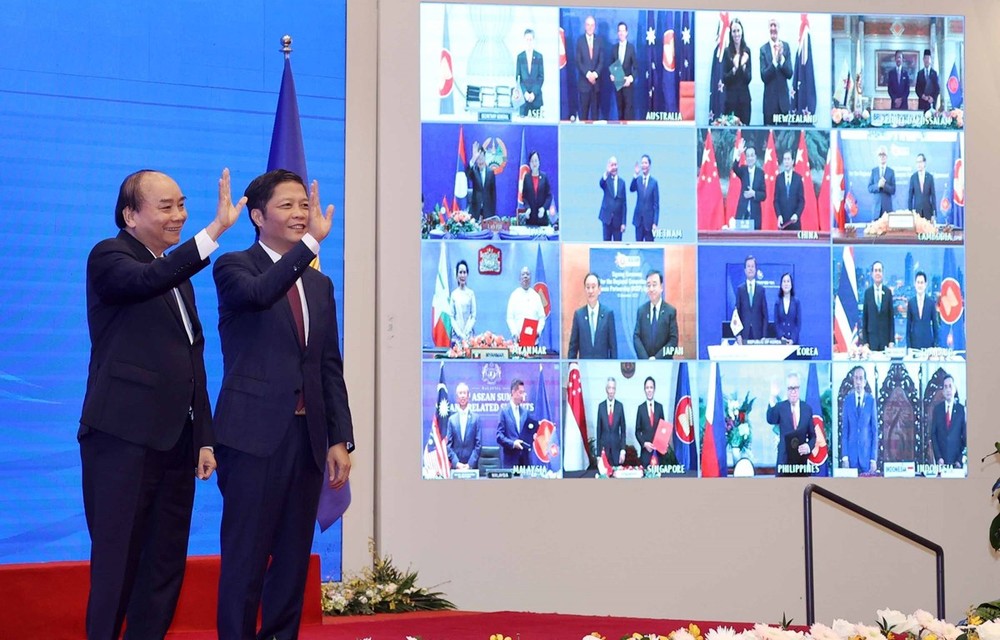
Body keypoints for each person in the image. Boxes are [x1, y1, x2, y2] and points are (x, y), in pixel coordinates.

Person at [79, 168, 241, 640]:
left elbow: (193, 360)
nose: (180, 215)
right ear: (130, 215)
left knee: (164, 567)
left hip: (176, 443)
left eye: (182, 205)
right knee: (117, 565)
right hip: (122, 439)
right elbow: (148, 278)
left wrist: (204, 438)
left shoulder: (178, 275)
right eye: (166, 207)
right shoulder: (110, 257)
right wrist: (212, 233)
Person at [212, 170, 354, 640]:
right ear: (256, 215)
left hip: (307, 439)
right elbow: (260, 293)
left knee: (293, 561)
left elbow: (328, 366)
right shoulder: (234, 267)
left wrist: (339, 437)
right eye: (288, 206)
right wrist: (309, 246)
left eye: (304, 205)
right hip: (252, 438)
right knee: (246, 558)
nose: (301, 214)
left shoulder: (320, 286)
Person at [765, 372, 813, 473]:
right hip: (784, 462)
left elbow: (813, 436)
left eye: (795, 388)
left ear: (799, 389)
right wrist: (772, 396)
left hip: (801, 463)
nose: (793, 392)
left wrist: (808, 446)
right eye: (790, 388)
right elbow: (770, 419)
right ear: (786, 390)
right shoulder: (780, 407)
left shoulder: (807, 409)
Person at [568, 272, 617, 359]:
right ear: (585, 290)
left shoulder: (608, 314)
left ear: (599, 289)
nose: (590, 291)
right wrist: (572, 366)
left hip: (602, 368)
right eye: (588, 287)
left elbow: (613, 347)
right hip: (584, 368)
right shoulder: (578, 315)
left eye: (593, 287)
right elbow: (573, 347)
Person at [840, 367, 878, 473]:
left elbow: (875, 432)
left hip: (866, 458)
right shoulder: (847, 401)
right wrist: (845, 457)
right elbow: (845, 431)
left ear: (865, 382)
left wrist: (873, 459)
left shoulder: (871, 401)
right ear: (853, 380)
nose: (858, 382)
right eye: (856, 378)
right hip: (851, 459)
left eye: (861, 378)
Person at [633, 270, 678, 359]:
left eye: (654, 285)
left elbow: (673, 340)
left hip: (664, 363)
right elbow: (636, 337)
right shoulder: (641, 311)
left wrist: (657, 359)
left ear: (661, 287)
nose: (651, 289)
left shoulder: (670, 311)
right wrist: (646, 359)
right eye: (648, 285)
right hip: (645, 364)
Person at [759, 18, 792, 126]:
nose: (773, 28)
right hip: (770, 104)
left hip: (783, 104)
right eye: (771, 26)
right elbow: (764, 76)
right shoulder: (763, 49)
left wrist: (781, 58)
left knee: (784, 139)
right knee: (769, 140)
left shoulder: (786, 47)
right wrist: (774, 62)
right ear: (768, 28)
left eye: (775, 26)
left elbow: (790, 73)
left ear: (779, 28)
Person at [931, 375, 966, 467]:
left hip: (957, 462)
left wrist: (960, 459)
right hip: (941, 462)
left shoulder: (961, 410)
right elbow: (933, 434)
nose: (948, 389)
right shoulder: (937, 410)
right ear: (942, 391)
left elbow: (965, 437)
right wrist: (938, 457)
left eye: (950, 386)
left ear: (954, 389)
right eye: (945, 387)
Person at [722, 18, 752, 125]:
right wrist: (734, 69)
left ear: (742, 32)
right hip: (731, 101)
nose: (736, 34)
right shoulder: (726, 52)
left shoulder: (747, 51)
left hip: (744, 101)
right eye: (734, 31)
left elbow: (749, 78)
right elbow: (724, 79)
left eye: (738, 31)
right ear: (731, 33)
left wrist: (743, 66)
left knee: (744, 133)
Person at [496, 378, 532, 467]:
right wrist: (513, 443)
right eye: (521, 392)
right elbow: (499, 436)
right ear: (513, 392)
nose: (523, 396)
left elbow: (529, 432)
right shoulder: (504, 412)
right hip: (510, 460)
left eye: (523, 392)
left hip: (525, 460)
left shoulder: (525, 412)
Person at [575, 15, 605, 120]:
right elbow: (578, 62)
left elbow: (601, 61)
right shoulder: (580, 41)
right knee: (584, 114)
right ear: (585, 26)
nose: (590, 27)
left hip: (596, 85)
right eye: (588, 25)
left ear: (595, 26)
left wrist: (595, 75)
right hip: (584, 85)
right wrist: (588, 75)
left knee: (595, 115)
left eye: (592, 25)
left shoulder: (599, 41)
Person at [446, 382, 481, 469]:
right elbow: (448, 445)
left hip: (472, 467)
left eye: (464, 393)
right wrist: (456, 463)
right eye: (460, 393)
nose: (462, 396)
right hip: (456, 468)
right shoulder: (451, 420)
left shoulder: (476, 418)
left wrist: (470, 464)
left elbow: (478, 444)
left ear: (468, 396)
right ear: (457, 397)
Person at [861, 260, 895, 351]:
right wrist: (865, 342)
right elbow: (865, 319)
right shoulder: (867, 293)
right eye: (875, 270)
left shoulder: (888, 292)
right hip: (871, 342)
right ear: (872, 274)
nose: (878, 273)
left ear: (883, 273)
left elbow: (891, 319)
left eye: (879, 270)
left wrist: (892, 341)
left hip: (885, 341)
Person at [732, 139, 765, 229]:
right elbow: (734, 168)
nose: (750, 158)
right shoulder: (743, 170)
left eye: (752, 156)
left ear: (755, 157)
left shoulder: (760, 173)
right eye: (748, 156)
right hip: (742, 212)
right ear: (746, 158)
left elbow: (763, 195)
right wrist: (738, 153)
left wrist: (754, 194)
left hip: (755, 215)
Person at [506, 266, 546, 339]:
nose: (525, 276)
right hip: (518, 342)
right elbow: (510, 318)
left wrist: (538, 331)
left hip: (533, 342)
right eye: (523, 274)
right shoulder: (514, 295)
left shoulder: (536, 296)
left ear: (530, 278)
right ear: (519, 279)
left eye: (527, 274)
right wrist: (514, 333)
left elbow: (542, 317)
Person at [735, 255, 768, 343]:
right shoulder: (740, 289)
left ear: (756, 270)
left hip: (758, 335)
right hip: (743, 335)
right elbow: (736, 314)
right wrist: (738, 335)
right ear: (745, 270)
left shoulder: (761, 290)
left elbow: (765, 315)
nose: (750, 269)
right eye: (748, 266)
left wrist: (764, 336)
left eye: (752, 266)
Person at [634, 376, 666, 467]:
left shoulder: (660, 407)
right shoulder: (640, 408)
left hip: (658, 453)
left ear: (654, 389)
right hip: (645, 453)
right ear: (644, 390)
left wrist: (663, 443)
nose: (649, 390)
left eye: (651, 387)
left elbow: (663, 429)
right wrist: (644, 444)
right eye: (647, 388)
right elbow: (637, 431)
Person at [595, 377, 626, 466]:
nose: (611, 391)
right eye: (609, 388)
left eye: (613, 388)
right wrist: (598, 455)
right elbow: (598, 431)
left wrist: (623, 451)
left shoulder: (620, 406)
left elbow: (623, 431)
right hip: (604, 452)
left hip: (617, 451)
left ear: (615, 390)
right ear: (606, 389)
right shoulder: (601, 407)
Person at [629, 154, 659, 241]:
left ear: (649, 165)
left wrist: (655, 223)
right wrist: (635, 175)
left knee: (649, 249)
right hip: (638, 221)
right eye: (642, 163)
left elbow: (656, 205)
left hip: (649, 223)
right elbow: (631, 189)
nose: (643, 165)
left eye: (645, 163)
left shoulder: (654, 183)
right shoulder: (637, 180)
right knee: (638, 247)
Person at [610, 21, 636, 120]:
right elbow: (612, 65)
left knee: (628, 111)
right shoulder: (613, 48)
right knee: (619, 109)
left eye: (623, 31)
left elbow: (636, 68)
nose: (621, 33)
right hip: (618, 85)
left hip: (628, 86)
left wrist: (630, 78)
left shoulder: (631, 48)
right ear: (617, 33)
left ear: (627, 33)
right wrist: (611, 75)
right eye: (619, 31)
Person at [515, 28, 544, 117]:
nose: (529, 42)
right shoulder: (520, 57)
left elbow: (541, 77)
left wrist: (533, 94)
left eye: (530, 40)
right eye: (527, 40)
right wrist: (525, 93)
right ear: (524, 40)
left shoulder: (539, 56)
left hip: (536, 99)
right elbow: (518, 78)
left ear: (533, 40)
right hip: (523, 99)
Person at [773, 150, 804, 230]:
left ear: (792, 161)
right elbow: (776, 201)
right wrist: (779, 216)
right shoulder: (779, 178)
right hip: (782, 222)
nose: (786, 162)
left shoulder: (798, 178)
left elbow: (801, 201)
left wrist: (797, 215)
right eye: (784, 159)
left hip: (794, 222)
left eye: (788, 159)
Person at [907, 271, 938, 349]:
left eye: (922, 283)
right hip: (914, 345)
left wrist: (935, 344)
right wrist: (909, 346)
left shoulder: (931, 303)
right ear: (915, 284)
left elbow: (935, 326)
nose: (920, 285)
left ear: (925, 284)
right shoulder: (911, 303)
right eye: (918, 282)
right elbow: (908, 326)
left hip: (928, 345)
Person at [466, 141, 496, 220]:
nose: (480, 159)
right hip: (475, 208)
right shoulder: (474, 171)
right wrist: (473, 158)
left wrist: (493, 211)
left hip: (488, 210)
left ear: (485, 157)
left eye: (482, 156)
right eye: (478, 158)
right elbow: (467, 175)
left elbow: (493, 193)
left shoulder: (491, 172)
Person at [522, 150, 553, 226]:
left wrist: (543, 208)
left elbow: (549, 196)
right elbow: (524, 197)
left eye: (536, 161)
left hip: (542, 218)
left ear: (539, 162)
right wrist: (527, 208)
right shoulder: (526, 177)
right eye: (532, 161)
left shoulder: (544, 177)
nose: (534, 163)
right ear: (529, 163)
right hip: (530, 218)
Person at [598, 156, 626, 241]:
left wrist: (624, 223)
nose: (614, 167)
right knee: (606, 246)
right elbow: (601, 183)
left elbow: (624, 204)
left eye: (615, 165)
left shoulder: (622, 183)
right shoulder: (606, 180)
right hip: (607, 219)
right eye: (612, 165)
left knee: (618, 246)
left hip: (618, 222)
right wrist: (607, 172)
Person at [450, 259, 477, 342]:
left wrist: (466, 332)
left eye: (464, 272)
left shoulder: (471, 293)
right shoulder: (453, 294)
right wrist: (459, 334)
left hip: (469, 336)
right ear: (457, 275)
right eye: (460, 272)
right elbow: (452, 316)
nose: (462, 275)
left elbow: (473, 316)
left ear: (467, 274)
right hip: (456, 338)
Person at [867, 146, 896, 217]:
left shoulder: (891, 172)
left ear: (887, 156)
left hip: (887, 209)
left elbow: (893, 190)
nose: (882, 156)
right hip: (876, 209)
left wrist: (884, 186)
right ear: (878, 157)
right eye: (880, 154)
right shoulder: (874, 171)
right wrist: (878, 185)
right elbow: (869, 188)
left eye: (884, 154)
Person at [907, 153, 937, 221]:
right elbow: (910, 197)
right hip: (916, 213)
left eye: (920, 162)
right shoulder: (913, 177)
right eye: (917, 162)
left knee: (928, 232)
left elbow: (933, 196)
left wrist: (934, 214)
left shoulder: (930, 177)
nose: (918, 164)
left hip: (928, 212)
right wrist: (910, 212)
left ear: (924, 163)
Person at [773, 272, 801, 345]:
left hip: (794, 342)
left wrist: (793, 339)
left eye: (788, 281)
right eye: (784, 281)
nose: (786, 284)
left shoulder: (796, 302)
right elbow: (776, 322)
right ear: (781, 285)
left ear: (791, 285)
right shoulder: (777, 303)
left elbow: (798, 323)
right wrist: (781, 337)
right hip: (781, 341)